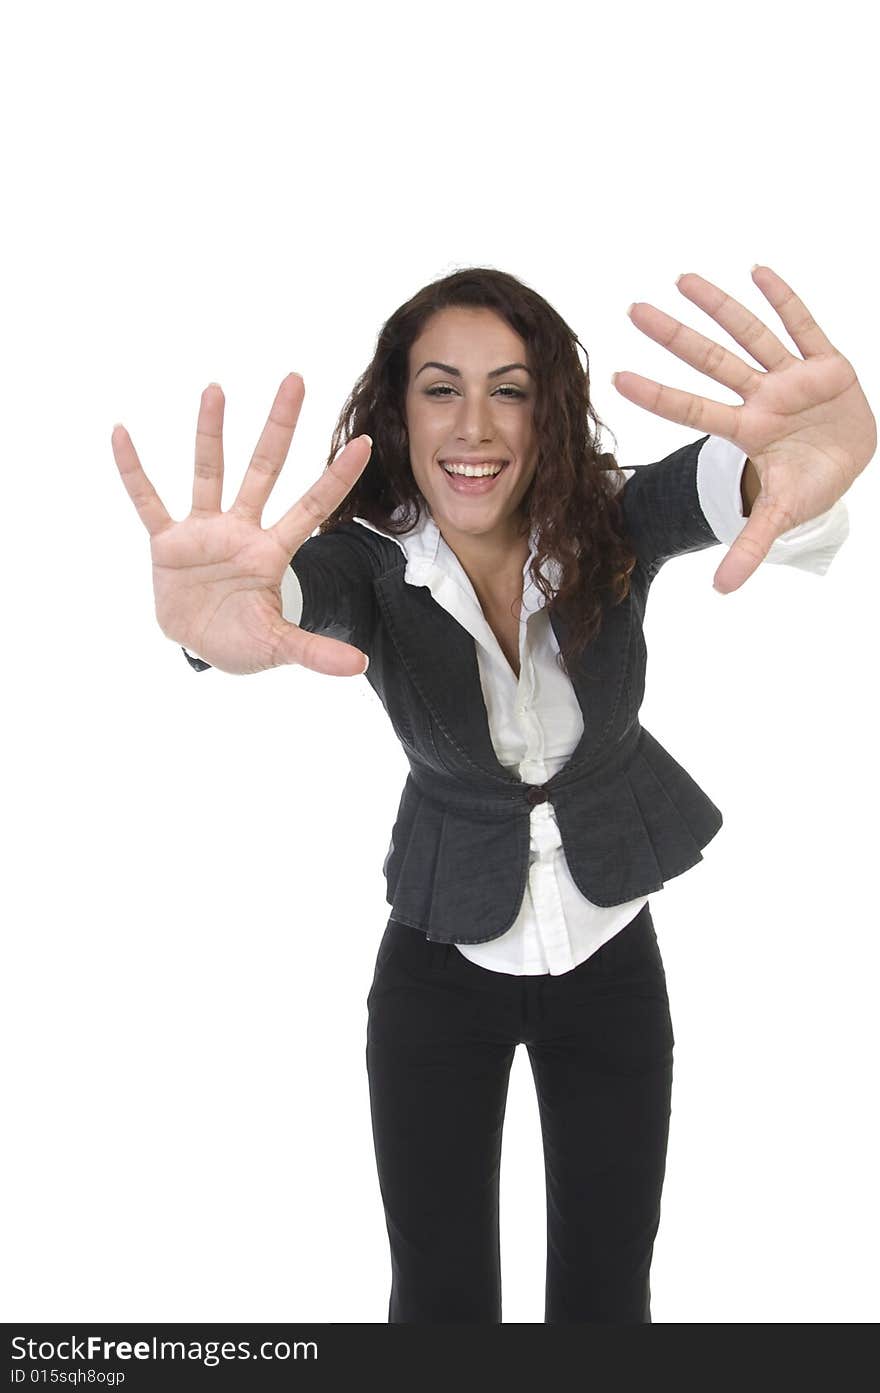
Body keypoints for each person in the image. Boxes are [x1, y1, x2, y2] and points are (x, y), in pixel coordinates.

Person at [111, 264, 874, 1323]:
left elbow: (715, 484)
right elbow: (293, 593)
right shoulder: (367, 564)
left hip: (610, 947)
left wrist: (793, 466)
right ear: (397, 407)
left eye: (508, 389)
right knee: (438, 1293)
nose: (475, 424)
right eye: (441, 387)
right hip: (437, 960)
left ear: (547, 407)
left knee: (609, 1289)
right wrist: (230, 610)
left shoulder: (605, 517)